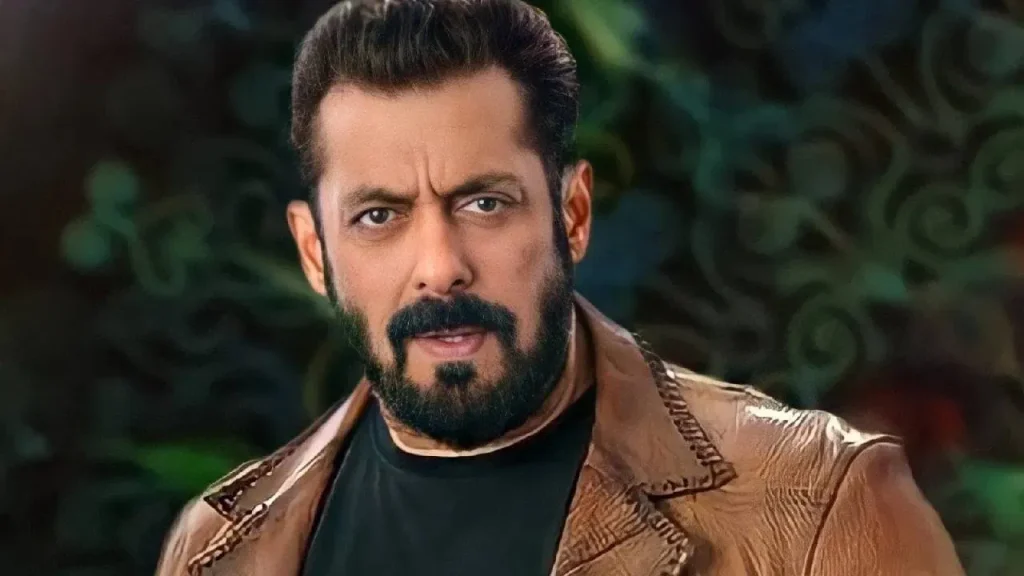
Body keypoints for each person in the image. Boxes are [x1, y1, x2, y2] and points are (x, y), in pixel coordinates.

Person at [155, 1, 965, 574]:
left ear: (572, 215)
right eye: (379, 216)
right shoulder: (220, 548)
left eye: (483, 203)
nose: (440, 265)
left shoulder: (820, 508)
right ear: (314, 252)